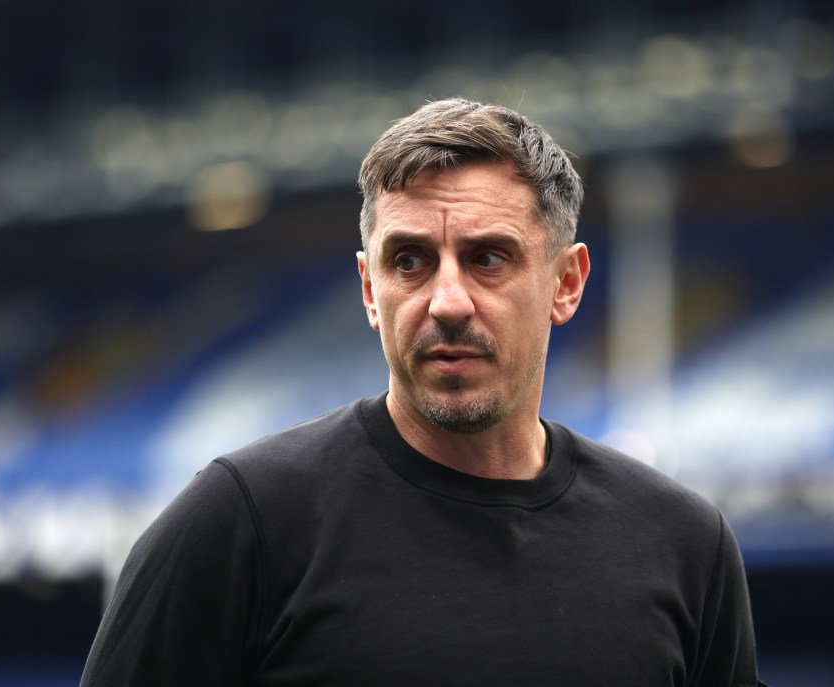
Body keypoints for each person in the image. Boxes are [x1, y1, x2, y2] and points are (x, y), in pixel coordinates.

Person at [81, 98, 762, 686]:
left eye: (487, 257)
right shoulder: (241, 523)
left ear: (566, 282)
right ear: (370, 289)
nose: (447, 301)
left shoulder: (683, 544)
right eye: (409, 260)